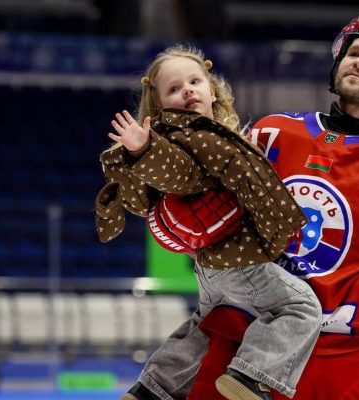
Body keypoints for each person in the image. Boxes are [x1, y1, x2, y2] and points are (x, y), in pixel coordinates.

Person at [133, 11, 359, 400]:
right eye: (353, 53)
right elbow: (205, 213)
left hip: (342, 361)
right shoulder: (272, 133)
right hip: (242, 354)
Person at [93, 44, 322, 400]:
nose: (187, 90)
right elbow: (177, 172)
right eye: (174, 88)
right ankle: (251, 376)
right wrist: (144, 151)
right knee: (301, 306)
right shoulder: (186, 139)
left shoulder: (211, 134)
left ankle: (152, 389)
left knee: (206, 325)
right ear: (159, 106)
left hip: (210, 266)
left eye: (194, 81)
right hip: (235, 260)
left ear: (212, 89)